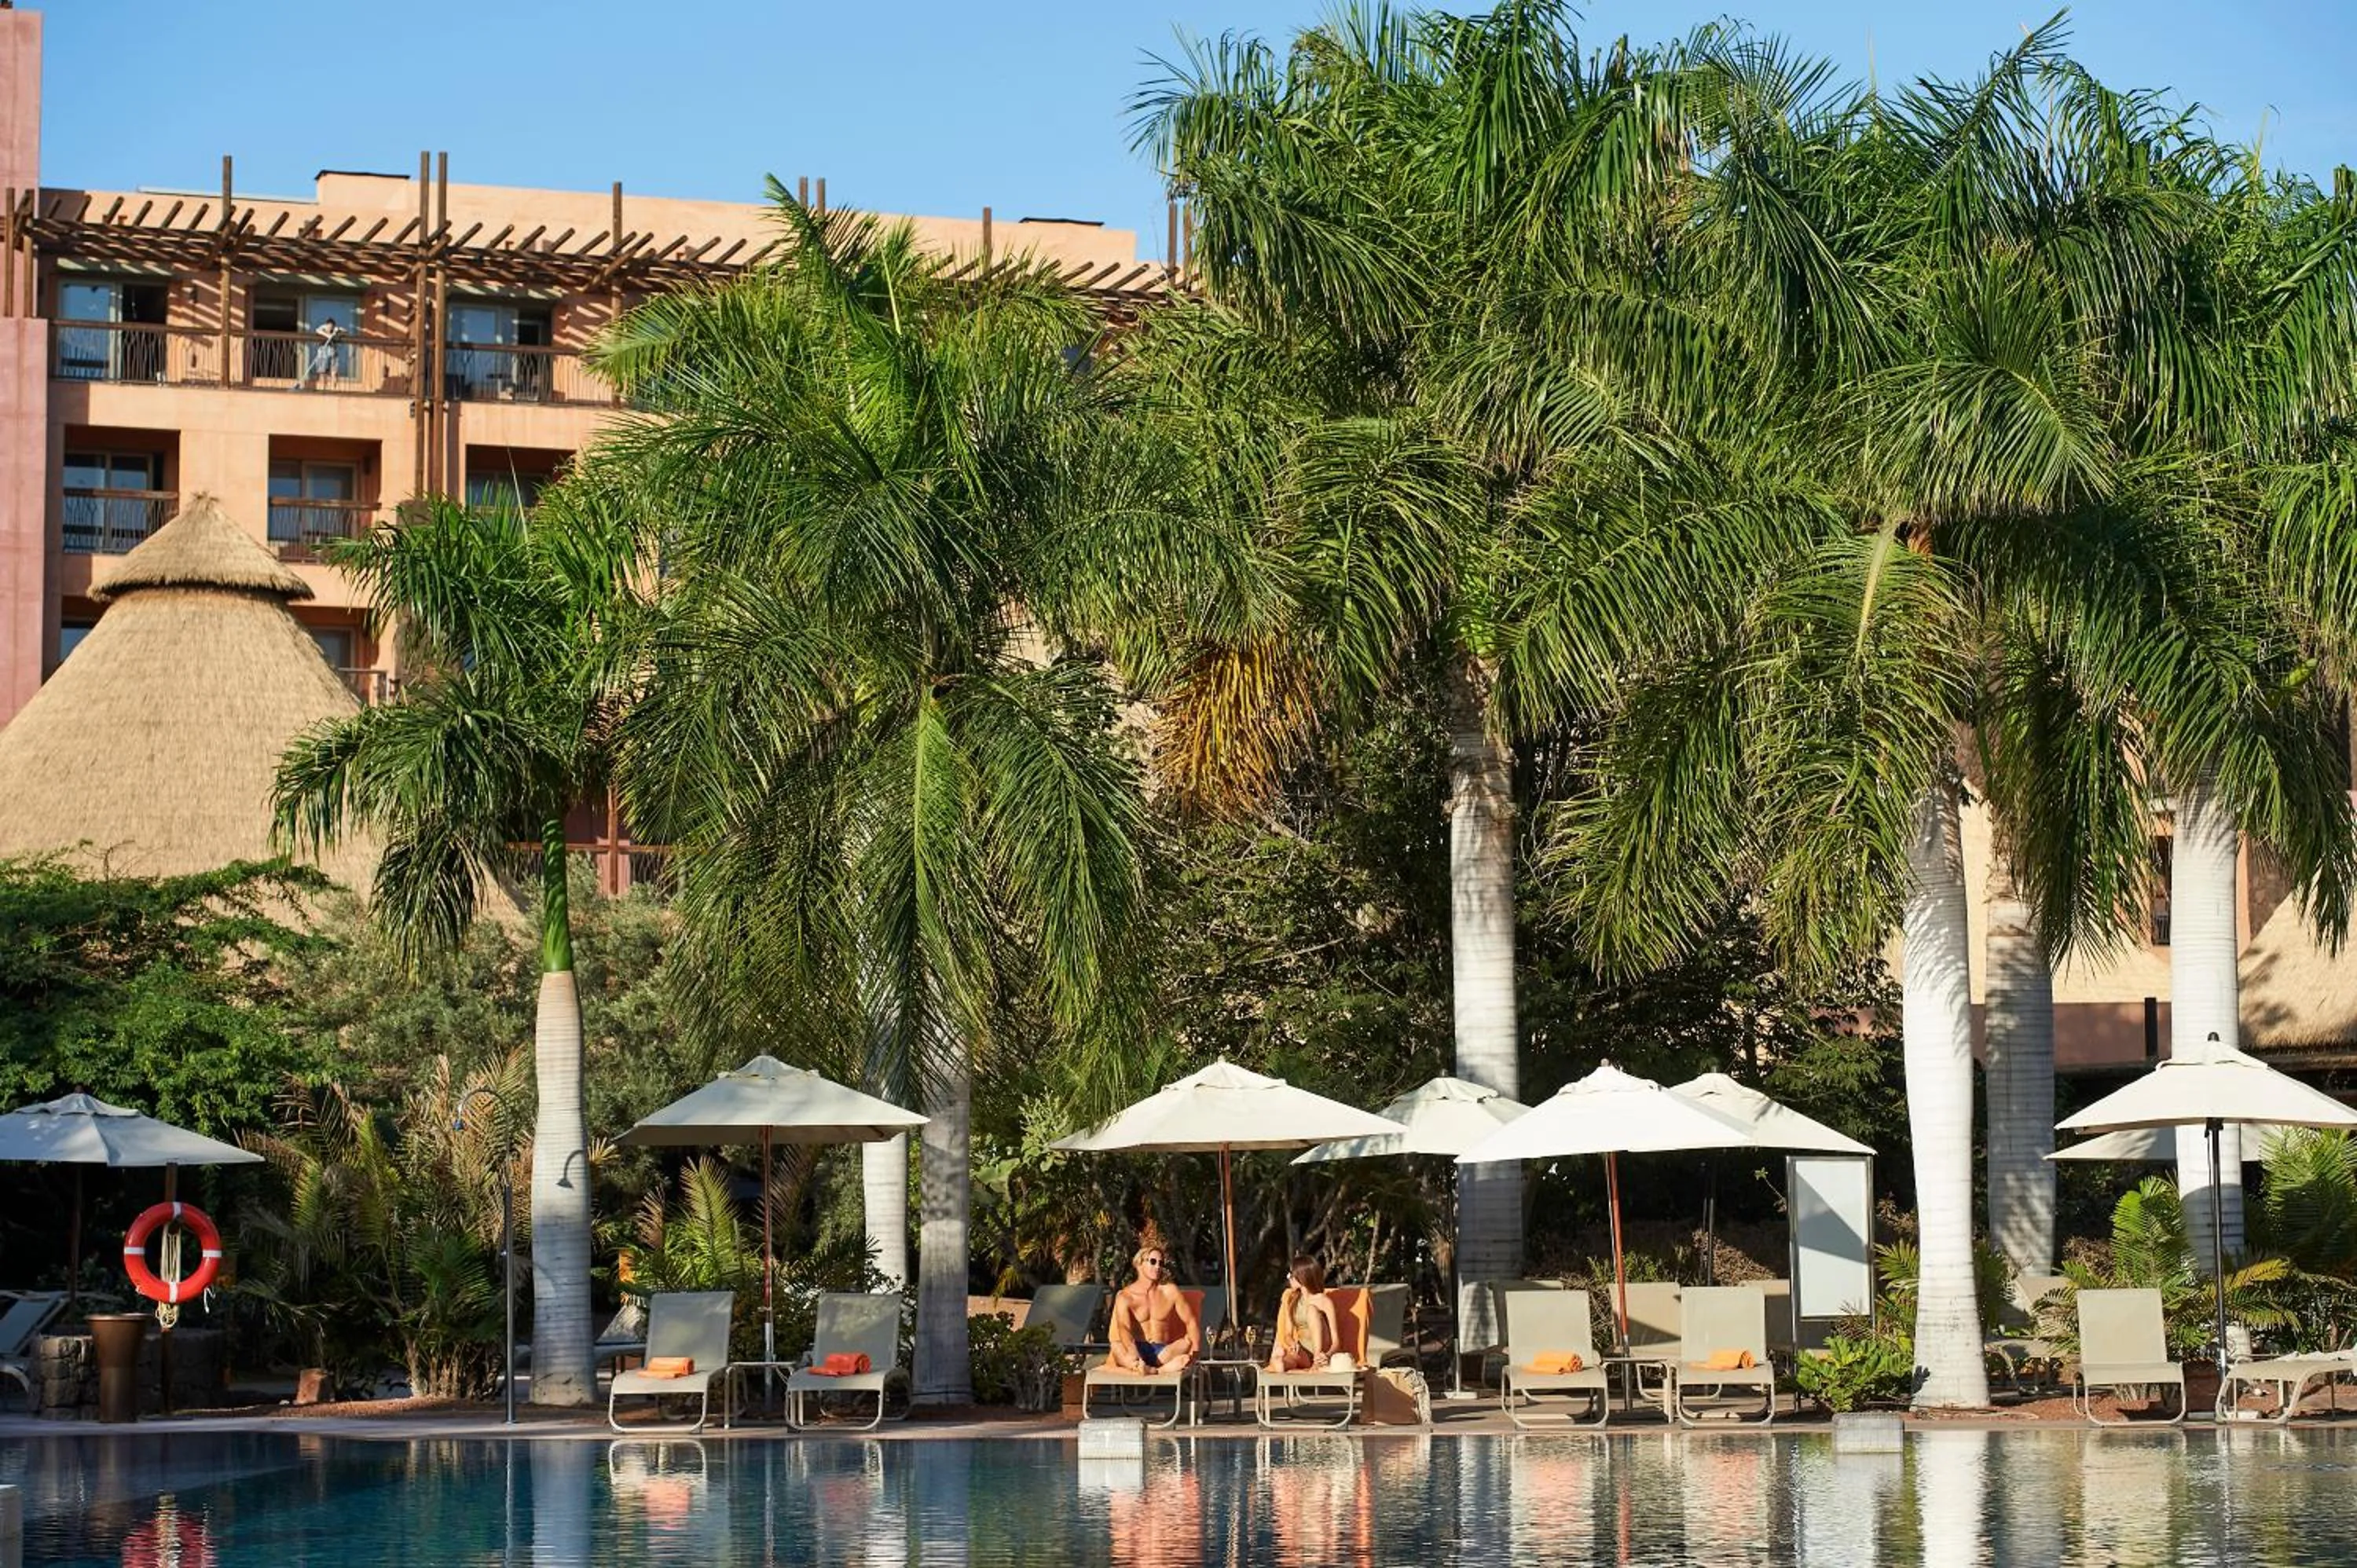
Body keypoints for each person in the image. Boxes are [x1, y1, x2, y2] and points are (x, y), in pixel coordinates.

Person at [1108, 1243, 1200, 1376]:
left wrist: (1195, 1350)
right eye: (1153, 1261)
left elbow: (1191, 1321)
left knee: (1187, 1342)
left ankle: (1154, 1370)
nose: (1157, 1267)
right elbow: (1124, 1328)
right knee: (1117, 1347)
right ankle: (1147, 1367)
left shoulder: (1170, 1291)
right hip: (1136, 1348)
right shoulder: (1125, 1296)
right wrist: (1133, 1352)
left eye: (1161, 1263)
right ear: (1139, 1264)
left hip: (1163, 1352)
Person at [1267, 1254, 1340, 1372]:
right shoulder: (1291, 1300)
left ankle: (1317, 1361)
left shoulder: (1324, 1301)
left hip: (1321, 1352)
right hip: (1303, 1352)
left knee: (1312, 1310)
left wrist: (1327, 1355)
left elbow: (1336, 1342)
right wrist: (1292, 1343)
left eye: (1291, 1275)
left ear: (1302, 1277)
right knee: (1279, 1363)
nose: (1288, 1277)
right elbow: (1288, 1334)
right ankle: (1280, 1361)